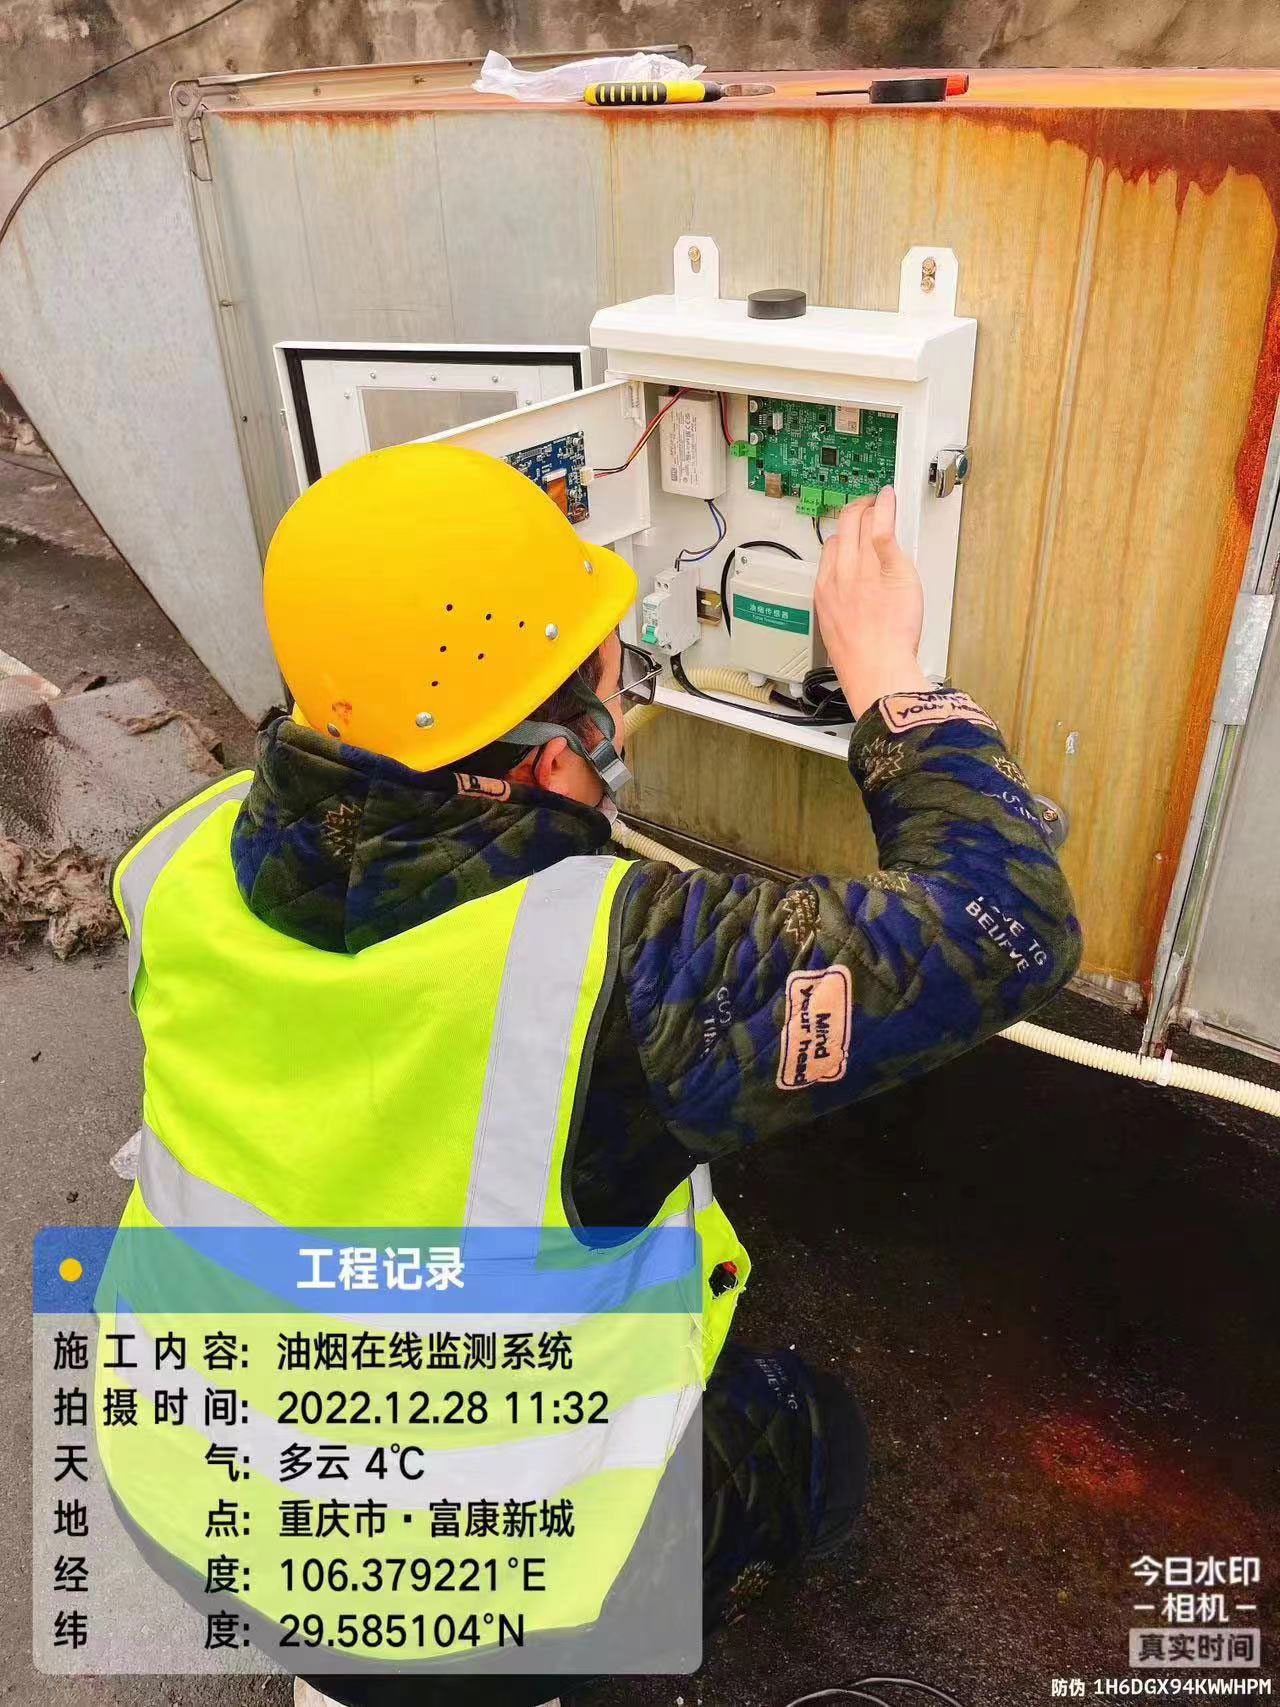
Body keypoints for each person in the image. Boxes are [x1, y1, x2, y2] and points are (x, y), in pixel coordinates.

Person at [105, 443, 1080, 1707]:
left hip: (184, 1498)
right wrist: (888, 679)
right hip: (458, 1616)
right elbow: (1003, 923)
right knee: (808, 1438)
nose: (624, 707)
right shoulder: (623, 971)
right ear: (543, 756)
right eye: (613, 679)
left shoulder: (177, 855)